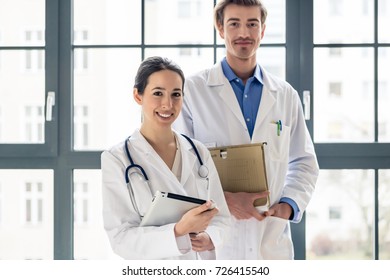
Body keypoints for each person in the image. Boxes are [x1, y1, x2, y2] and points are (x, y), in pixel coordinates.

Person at [173, 0, 319, 259]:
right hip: (215, 246)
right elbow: (179, 168)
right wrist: (226, 202)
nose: (244, 33)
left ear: (262, 30)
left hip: (271, 245)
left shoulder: (285, 95)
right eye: (234, 24)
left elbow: (304, 162)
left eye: (252, 24)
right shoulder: (193, 91)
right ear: (220, 28)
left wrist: (289, 205)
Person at [101, 56, 231, 260]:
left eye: (176, 94)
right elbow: (120, 239)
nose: (167, 104)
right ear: (138, 96)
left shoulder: (198, 152)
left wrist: (210, 237)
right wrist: (178, 231)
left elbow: (222, 218)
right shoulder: (117, 159)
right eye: (158, 93)